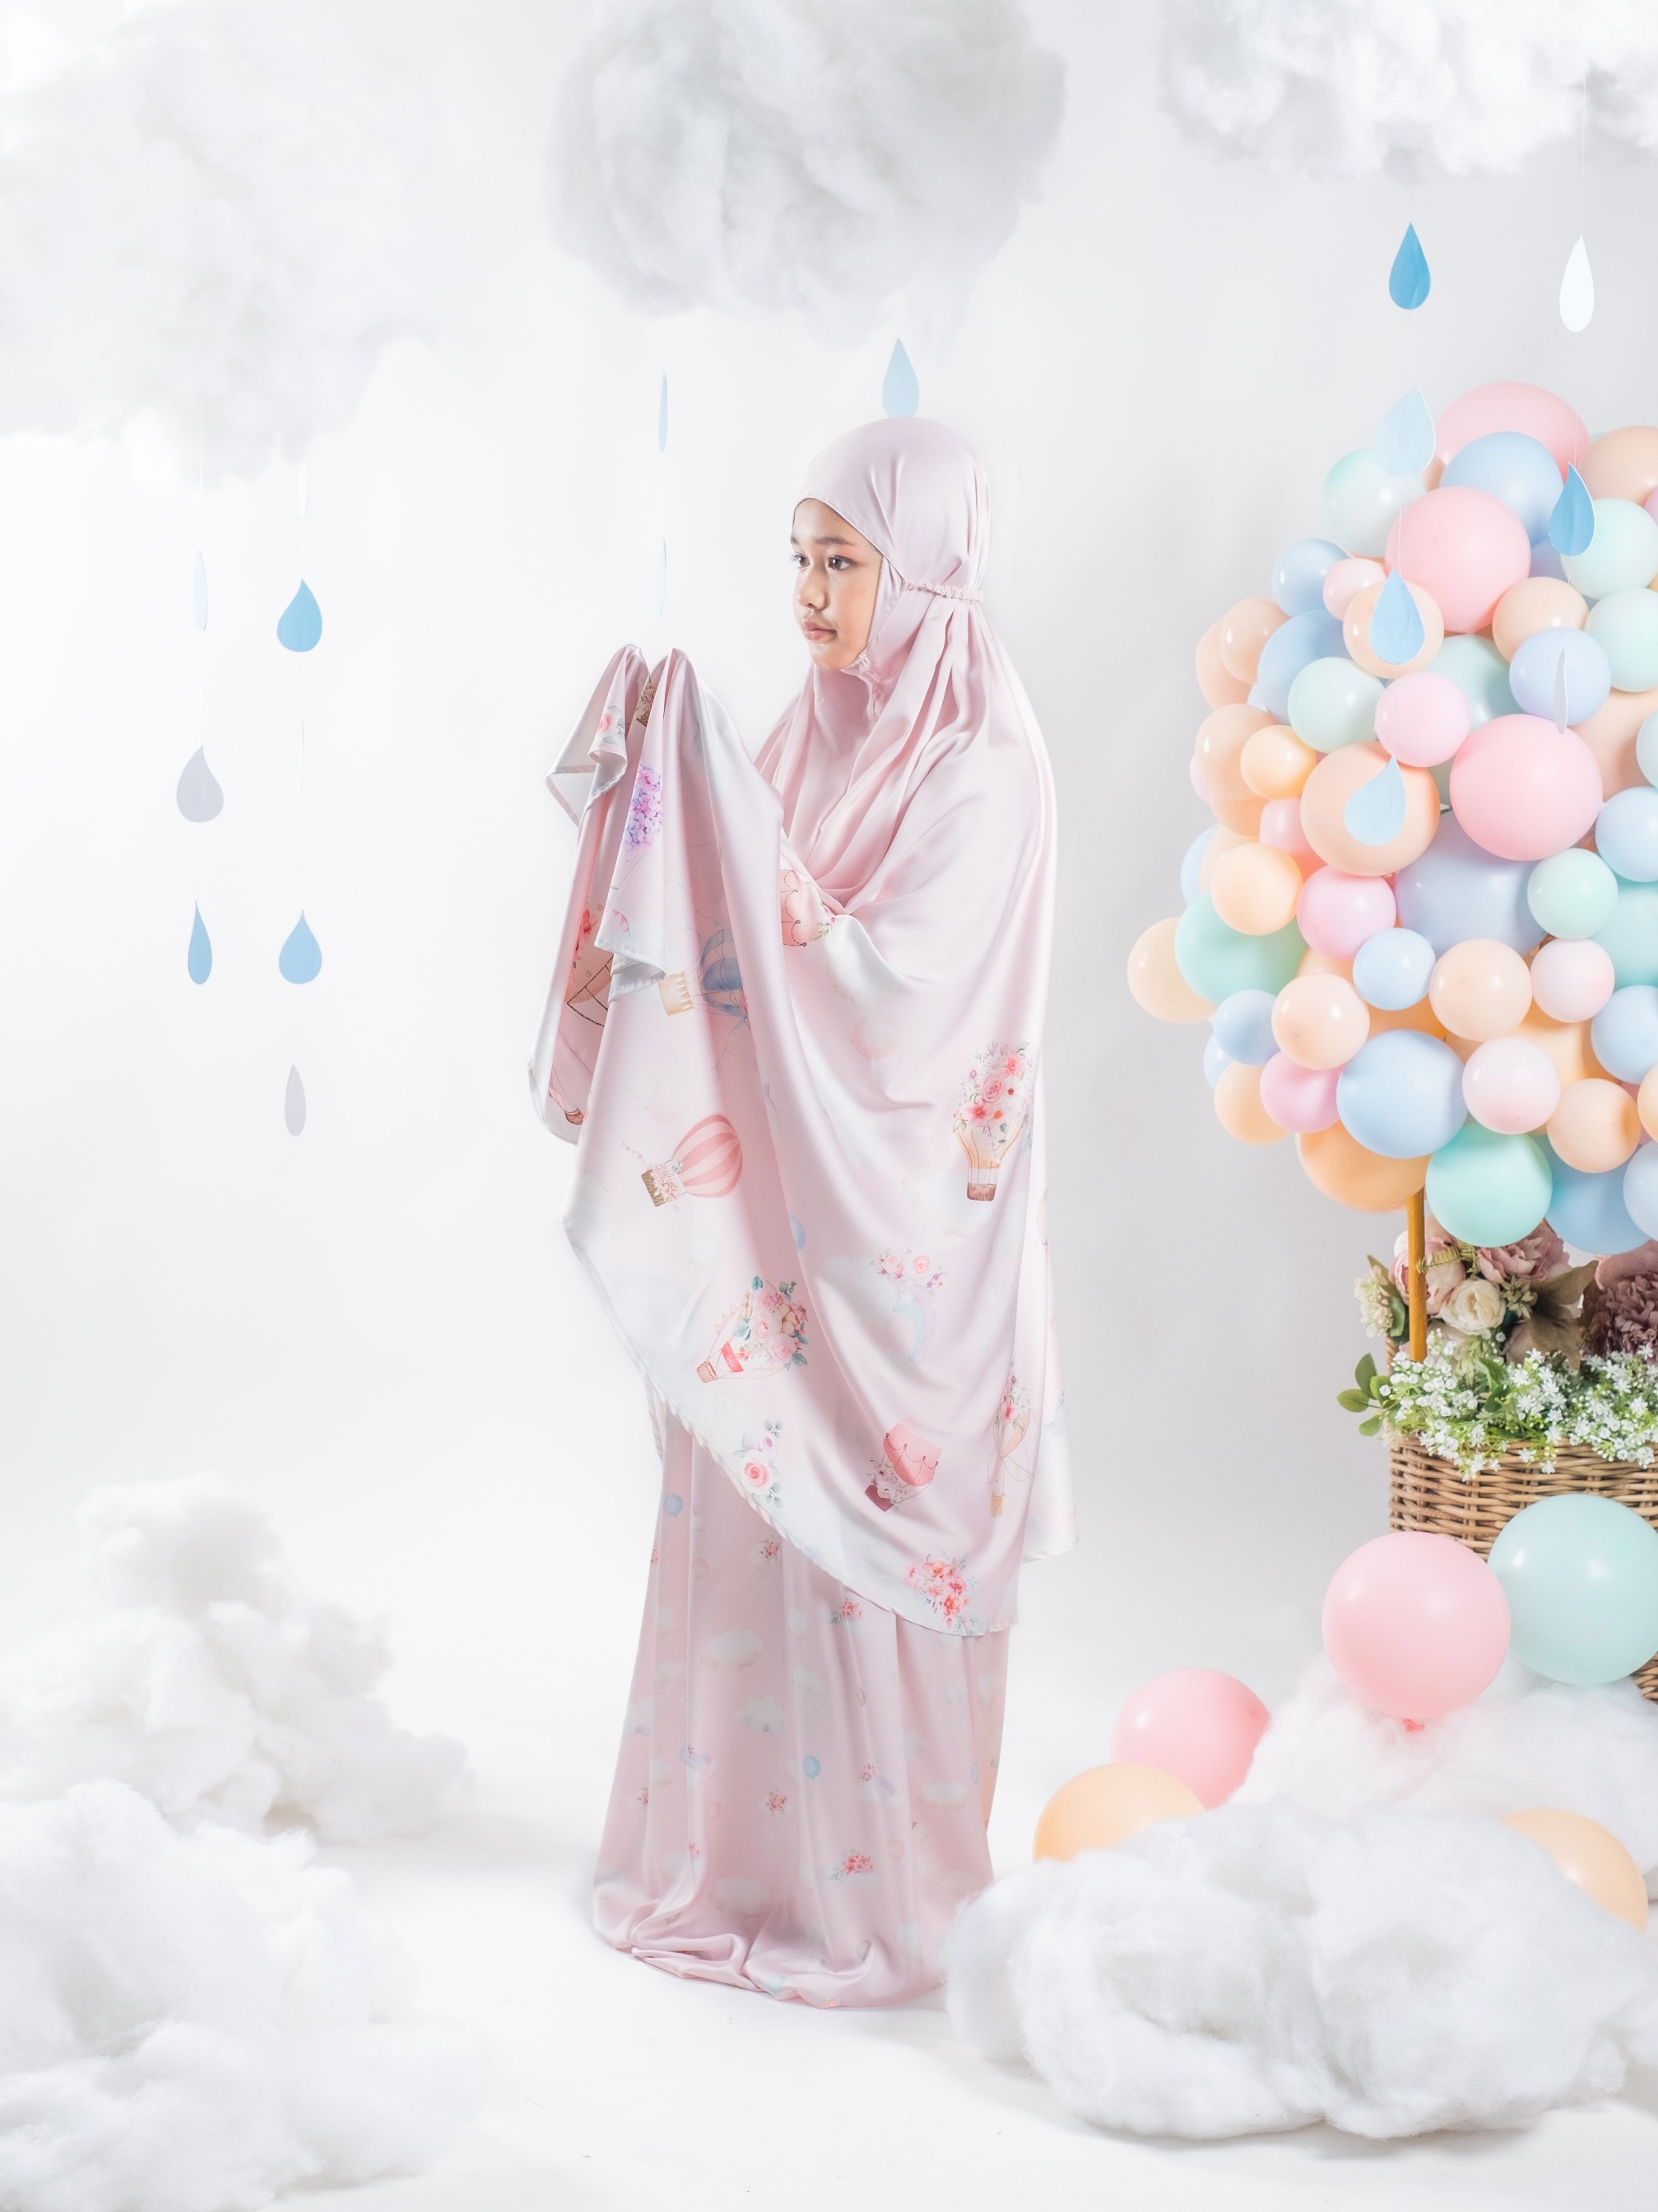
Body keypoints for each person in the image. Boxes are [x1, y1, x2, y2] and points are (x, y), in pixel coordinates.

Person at [529, 416, 1072, 2006]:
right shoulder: (810, 743)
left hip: (912, 1258)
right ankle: (739, 1868)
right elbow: (727, 930)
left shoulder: (984, 770)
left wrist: (713, 803)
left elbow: (902, 1013)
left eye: (845, 561)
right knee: (758, 1503)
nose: (811, 595)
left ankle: (882, 1902)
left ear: (932, 570)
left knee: (880, 1518)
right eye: (800, 558)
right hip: (780, 1229)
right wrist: (681, 781)